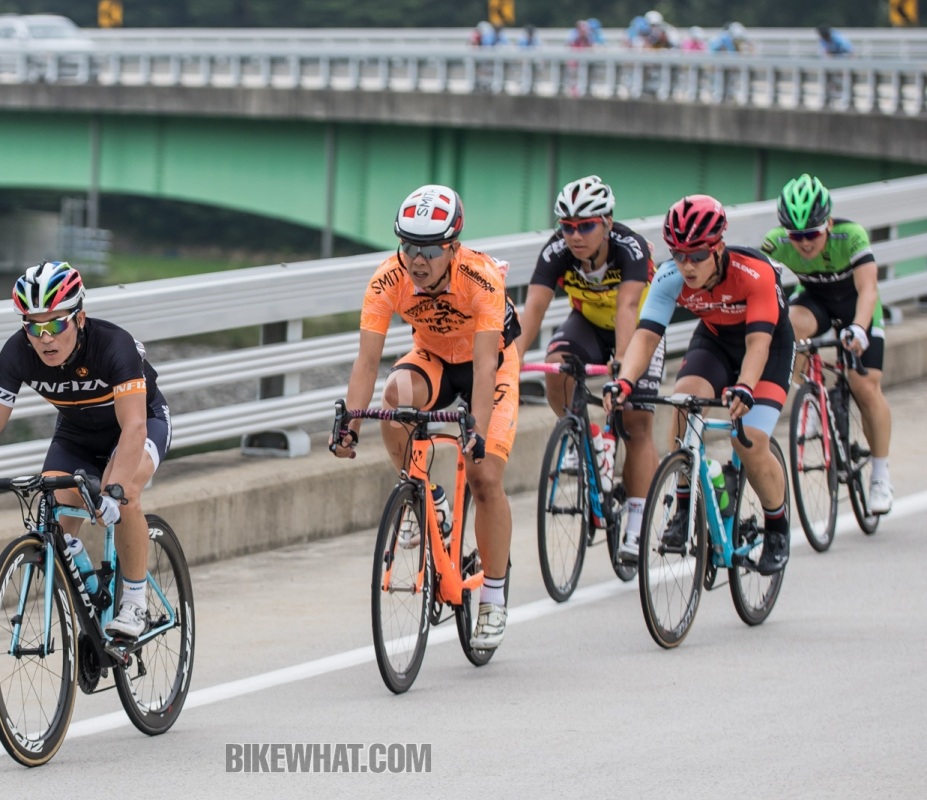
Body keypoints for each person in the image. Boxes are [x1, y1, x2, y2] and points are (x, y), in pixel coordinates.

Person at [333, 184, 521, 649]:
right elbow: (367, 363)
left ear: (453, 248)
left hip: (489, 364)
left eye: (431, 250)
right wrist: (350, 425)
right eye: (409, 247)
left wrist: (476, 430)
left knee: (484, 476)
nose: (417, 259)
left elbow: (484, 367)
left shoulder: (480, 278)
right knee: (395, 397)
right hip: (434, 358)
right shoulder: (387, 278)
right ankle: (426, 494)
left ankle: (493, 597)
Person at [0, 261, 173, 640]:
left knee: (125, 496)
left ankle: (135, 602)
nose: (45, 338)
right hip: (77, 435)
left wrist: (114, 490)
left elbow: (134, 427)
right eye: (33, 327)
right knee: (52, 513)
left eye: (56, 325)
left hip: (140, 424)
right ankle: (90, 599)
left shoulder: (113, 345)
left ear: (79, 318)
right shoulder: (17, 352)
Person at [604, 195, 795, 576]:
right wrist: (624, 381)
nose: (687, 265)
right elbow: (646, 335)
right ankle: (683, 506)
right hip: (715, 342)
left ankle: (777, 528)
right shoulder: (670, 277)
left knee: (749, 440)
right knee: (683, 404)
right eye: (678, 255)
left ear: (718, 248)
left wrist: (745, 386)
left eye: (697, 255)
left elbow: (759, 344)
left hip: (767, 346)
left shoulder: (754, 273)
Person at [514, 176, 662, 563]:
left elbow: (628, 308)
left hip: (638, 328)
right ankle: (585, 434)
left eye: (586, 226)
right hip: (590, 324)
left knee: (636, 423)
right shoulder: (557, 251)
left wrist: (623, 367)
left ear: (607, 222)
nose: (575, 236)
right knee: (555, 366)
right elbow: (534, 309)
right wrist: (512, 359)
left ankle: (636, 521)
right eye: (567, 227)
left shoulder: (630, 248)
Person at [761, 174, 893, 514]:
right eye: (796, 236)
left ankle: (880, 476)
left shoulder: (851, 236)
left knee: (864, 385)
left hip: (856, 305)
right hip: (816, 301)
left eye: (812, 234)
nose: (804, 243)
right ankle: (813, 398)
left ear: (829, 224)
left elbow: (868, 289)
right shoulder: (776, 242)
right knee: (784, 327)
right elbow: (757, 281)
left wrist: (859, 329)